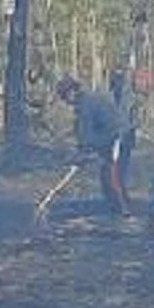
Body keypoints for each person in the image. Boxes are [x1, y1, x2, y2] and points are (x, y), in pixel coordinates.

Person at [57, 75, 128, 216]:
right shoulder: (85, 102)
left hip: (118, 138)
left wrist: (83, 153)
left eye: (65, 97)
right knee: (107, 179)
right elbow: (84, 134)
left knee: (112, 178)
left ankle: (125, 213)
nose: (65, 102)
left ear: (71, 92)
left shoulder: (86, 104)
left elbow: (86, 134)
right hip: (109, 138)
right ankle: (115, 211)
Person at [109, 67, 138, 196]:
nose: (117, 82)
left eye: (120, 79)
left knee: (121, 167)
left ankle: (121, 195)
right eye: (115, 79)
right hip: (113, 138)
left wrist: (128, 131)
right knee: (112, 168)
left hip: (126, 137)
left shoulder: (130, 98)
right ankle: (115, 195)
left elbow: (133, 119)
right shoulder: (109, 97)